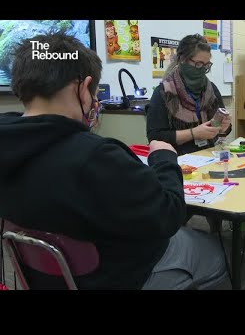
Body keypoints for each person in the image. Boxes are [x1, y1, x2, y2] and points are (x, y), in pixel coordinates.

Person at [0, 31, 228, 290]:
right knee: (214, 250)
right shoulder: (98, 158)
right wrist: (164, 157)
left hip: (41, 278)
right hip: (119, 275)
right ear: (84, 89)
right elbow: (168, 215)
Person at [147, 34, 232, 155]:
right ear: (183, 60)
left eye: (206, 65)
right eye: (198, 64)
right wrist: (193, 133)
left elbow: (224, 131)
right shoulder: (164, 92)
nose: (202, 69)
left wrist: (224, 127)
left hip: (208, 155)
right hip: (177, 160)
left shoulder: (211, 89)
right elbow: (155, 137)